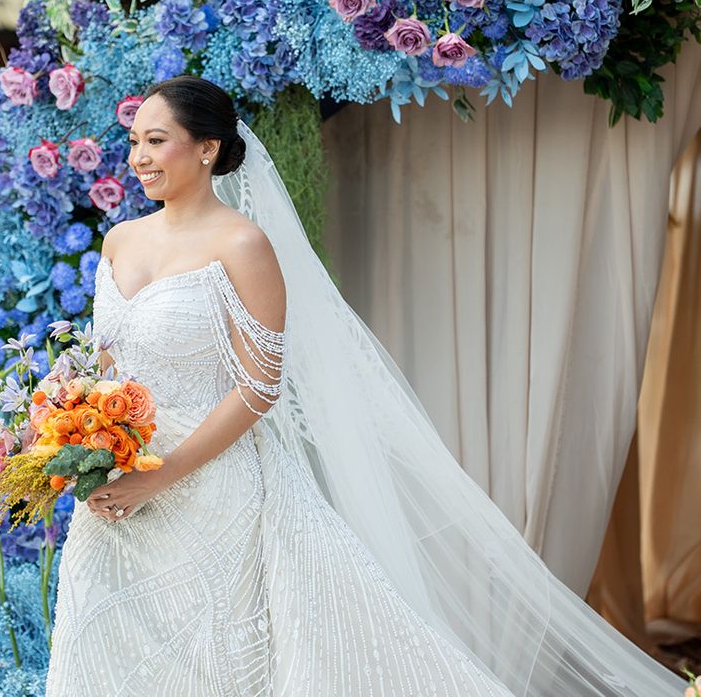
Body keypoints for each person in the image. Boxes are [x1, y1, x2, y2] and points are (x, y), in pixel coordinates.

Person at [45, 74, 682, 696]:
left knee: (209, 664)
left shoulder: (242, 244)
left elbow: (260, 388)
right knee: (102, 647)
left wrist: (161, 476)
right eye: (135, 141)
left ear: (207, 148)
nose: (139, 156)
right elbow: (107, 365)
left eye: (157, 141)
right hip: (114, 485)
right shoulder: (119, 240)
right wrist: (66, 427)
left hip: (207, 489)